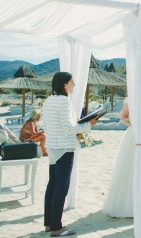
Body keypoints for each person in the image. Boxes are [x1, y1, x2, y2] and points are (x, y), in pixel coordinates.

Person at [43, 72, 98, 237]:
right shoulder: (64, 101)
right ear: (64, 84)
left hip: (52, 146)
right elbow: (69, 129)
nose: (74, 84)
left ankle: (49, 224)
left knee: (52, 186)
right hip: (64, 148)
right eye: (71, 81)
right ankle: (56, 228)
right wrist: (89, 124)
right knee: (61, 188)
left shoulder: (48, 101)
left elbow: (50, 125)